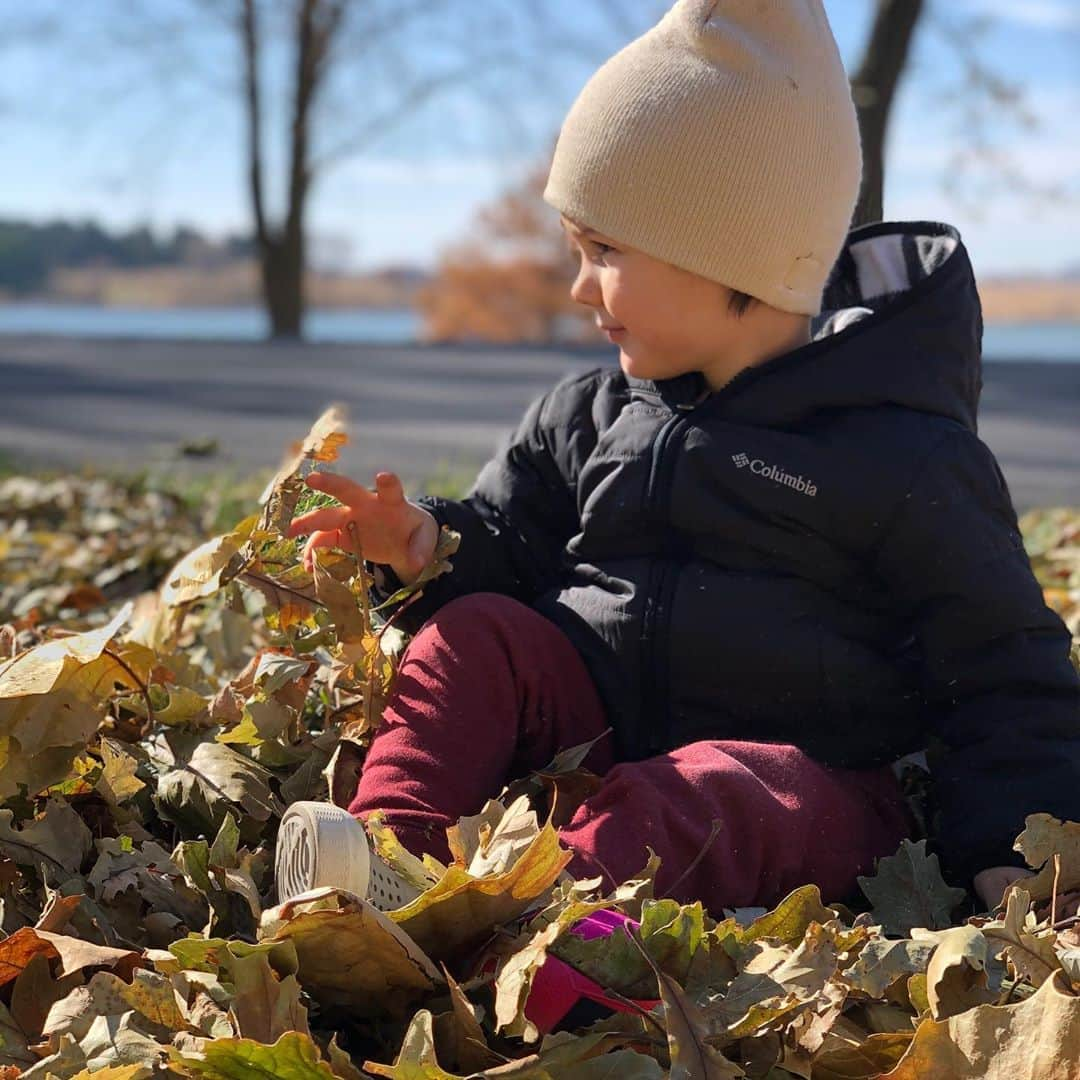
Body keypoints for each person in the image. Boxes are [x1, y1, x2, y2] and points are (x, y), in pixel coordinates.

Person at [275, 0, 1080, 916]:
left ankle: (538, 929)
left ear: (731, 250)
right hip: (600, 729)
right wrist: (427, 543)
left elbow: (1003, 665)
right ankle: (379, 867)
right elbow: (509, 539)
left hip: (808, 792)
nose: (579, 288)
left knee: (710, 794)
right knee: (474, 637)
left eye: (605, 250)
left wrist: (1015, 842)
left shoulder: (903, 452)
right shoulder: (589, 413)